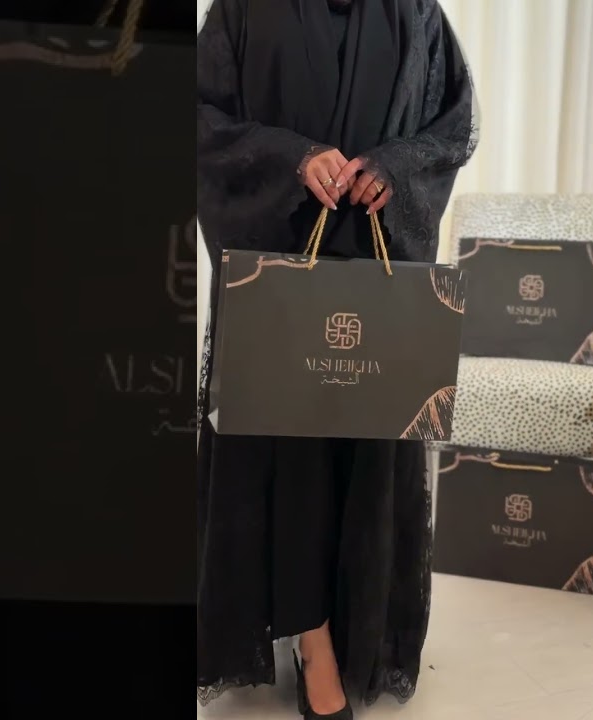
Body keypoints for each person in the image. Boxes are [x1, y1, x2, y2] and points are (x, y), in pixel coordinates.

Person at [195, 0, 476, 717]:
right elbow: (197, 116)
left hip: (377, 264)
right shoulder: (245, 10)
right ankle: (311, 640)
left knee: (369, 448)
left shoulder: (414, 11)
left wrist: (394, 167)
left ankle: (359, 627)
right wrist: (291, 157)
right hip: (280, 256)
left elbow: (452, 124)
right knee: (288, 453)